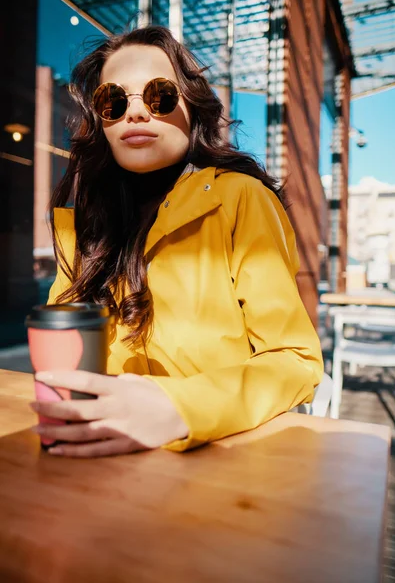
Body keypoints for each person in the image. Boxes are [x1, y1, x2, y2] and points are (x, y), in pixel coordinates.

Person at [31, 26, 323, 458]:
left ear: (192, 107)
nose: (134, 114)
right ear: (101, 121)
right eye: (113, 100)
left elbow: (295, 360)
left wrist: (181, 408)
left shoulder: (239, 199)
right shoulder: (88, 223)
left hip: (214, 467)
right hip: (99, 461)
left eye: (159, 96)